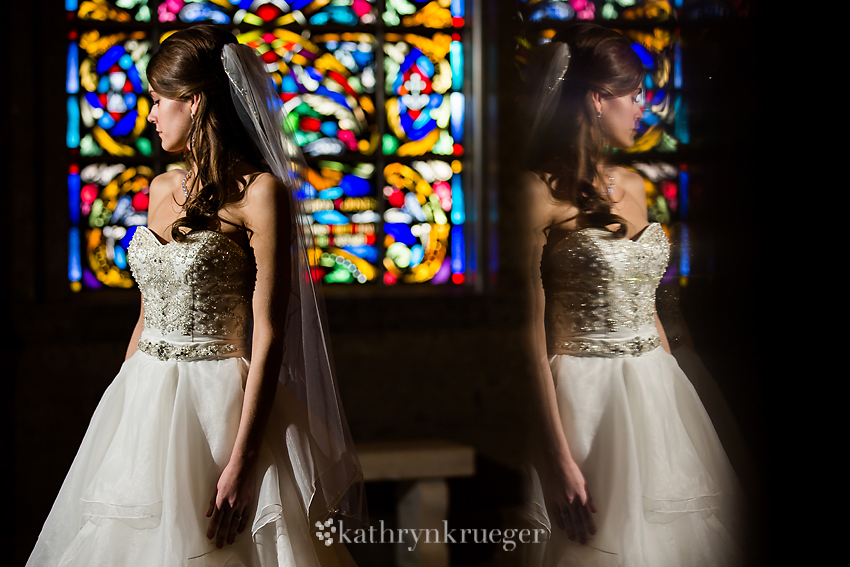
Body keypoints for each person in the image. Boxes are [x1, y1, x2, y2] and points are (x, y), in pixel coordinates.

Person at [27, 25, 364, 567]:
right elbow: (145, 317)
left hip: (218, 409)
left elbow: (271, 330)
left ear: (195, 101)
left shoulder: (261, 194)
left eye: (159, 101)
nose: (150, 115)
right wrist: (122, 415)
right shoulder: (161, 187)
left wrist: (244, 459)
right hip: (144, 397)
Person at [517, 23, 745, 567]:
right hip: (585, 402)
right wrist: (555, 455)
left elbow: (653, 308)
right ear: (597, 99)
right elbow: (523, 329)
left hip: (657, 393)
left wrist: (678, 405)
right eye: (635, 94)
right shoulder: (535, 193)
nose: (643, 108)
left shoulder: (637, 186)